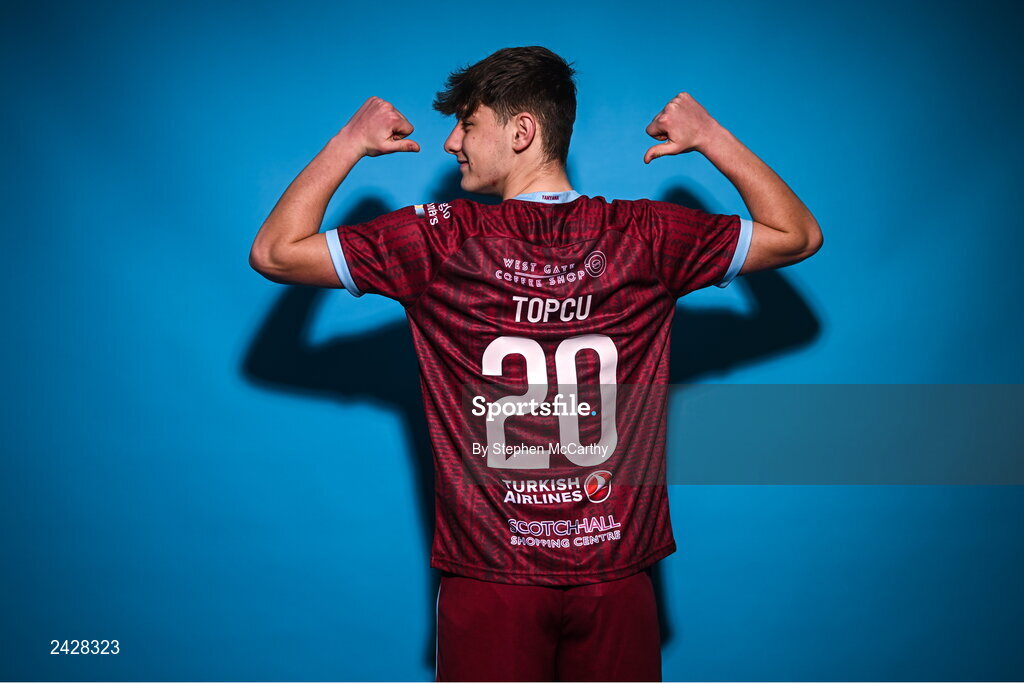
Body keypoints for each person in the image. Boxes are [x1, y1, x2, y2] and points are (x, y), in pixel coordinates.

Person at [249, 46, 821, 682]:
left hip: (492, 578)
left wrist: (350, 142)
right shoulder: (645, 235)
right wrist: (710, 136)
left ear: (521, 130)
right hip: (615, 575)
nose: (451, 143)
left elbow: (276, 253)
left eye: (467, 124)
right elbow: (796, 235)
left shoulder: (438, 240)